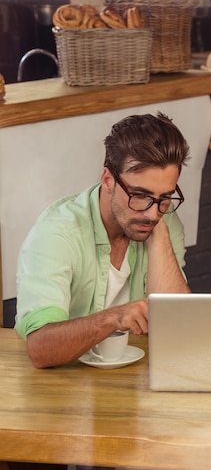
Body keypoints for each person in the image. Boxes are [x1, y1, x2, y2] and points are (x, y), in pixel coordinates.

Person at [15, 112, 191, 368]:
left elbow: (177, 328)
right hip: (61, 390)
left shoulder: (162, 220)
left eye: (164, 197)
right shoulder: (57, 234)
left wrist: (158, 234)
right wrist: (112, 318)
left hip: (134, 384)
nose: (153, 213)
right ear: (108, 180)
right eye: (139, 195)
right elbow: (40, 349)